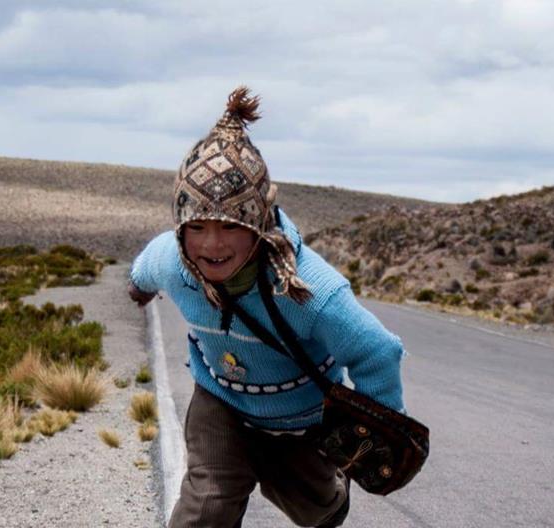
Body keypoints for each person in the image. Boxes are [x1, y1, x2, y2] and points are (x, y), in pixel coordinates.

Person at [127, 86, 408, 528]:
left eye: (229, 226)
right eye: (196, 226)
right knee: (208, 505)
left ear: (258, 224)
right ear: (180, 227)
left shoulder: (307, 289)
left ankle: (326, 490)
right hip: (221, 401)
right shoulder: (171, 259)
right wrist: (138, 290)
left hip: (301, 419)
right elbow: (142, 269)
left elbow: (377, 351)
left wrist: (372, 435)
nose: (212, 244)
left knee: (319, 511)